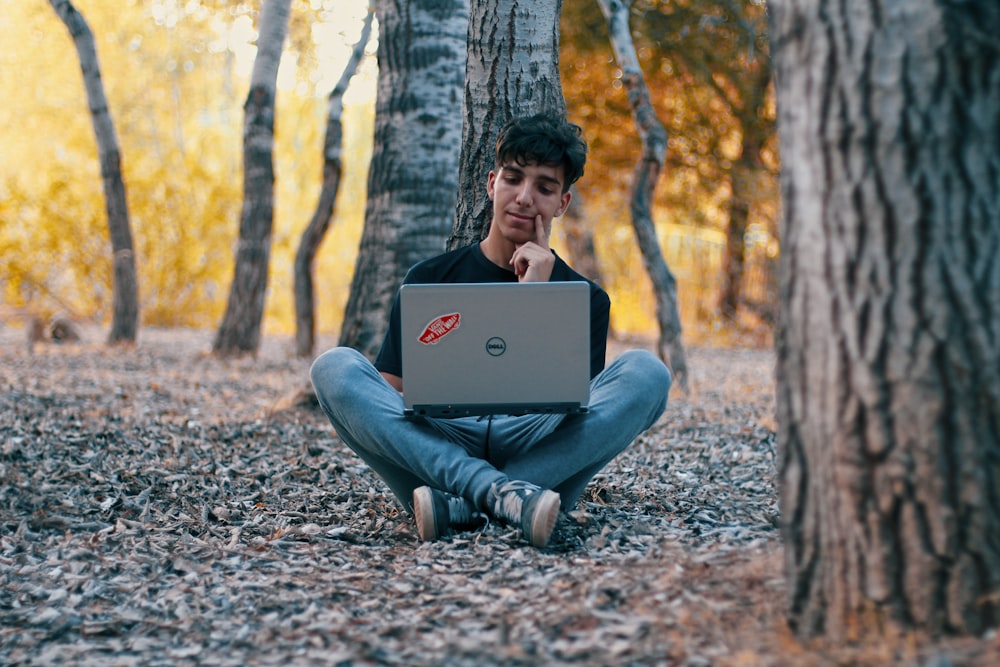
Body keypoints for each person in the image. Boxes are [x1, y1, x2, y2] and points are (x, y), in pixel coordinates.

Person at [310, 112, 671, 548]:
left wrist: (536, 301)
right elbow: (389, 399)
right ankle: (502, 494)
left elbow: (576, 417)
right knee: (334, 367)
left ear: (562, 204)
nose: (523, 197)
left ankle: (463, 503)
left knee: (648, 373)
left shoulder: (584, 298)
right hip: (442, 448)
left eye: (544, 187)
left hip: (539, 451)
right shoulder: (429, 279)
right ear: (490, 184)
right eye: (513, 179)